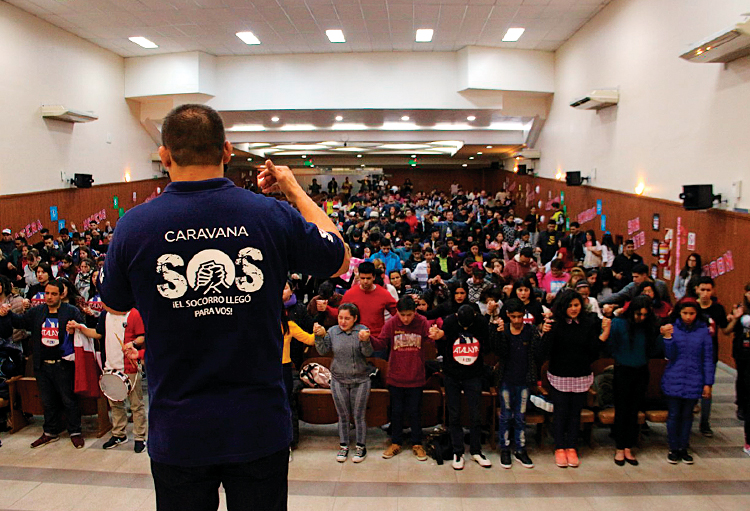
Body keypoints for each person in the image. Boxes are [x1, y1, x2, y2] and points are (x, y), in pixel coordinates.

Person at [98, 104, 349, 511]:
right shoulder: (270, 214)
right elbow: (339, 257)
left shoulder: (134, 225)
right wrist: (292, 188)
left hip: (178, 427)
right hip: (257, 424)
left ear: (165, 156)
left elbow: (113, 303)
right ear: (227, 151)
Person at [0, 279, 86, 449]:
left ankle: (75, 432)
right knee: (47, 400)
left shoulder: (71, 311)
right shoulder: (38, 311)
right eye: (47, 293)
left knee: (69, 400)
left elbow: (83, 329)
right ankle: (50, 431)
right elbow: (20, 322)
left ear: (61, 294)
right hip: (42, 365)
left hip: (63, 363)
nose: (49, 297)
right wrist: (6, 314)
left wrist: (76, 327)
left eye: (53, 294)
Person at [543, 289, 610, 468]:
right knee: (560, 413)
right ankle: (559, 447)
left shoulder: (587, 323)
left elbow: (593, 349)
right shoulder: (555, 323)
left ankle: (571, 447)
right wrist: (545, 332)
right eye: (570, 305)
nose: (574, 308)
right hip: (560, 374)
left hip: (581, 374)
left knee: (575, 413)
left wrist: (605, 334)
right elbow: (545, 351)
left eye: (576, 305)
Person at [67, 308, 148, 453]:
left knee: (136, 405)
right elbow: (98, 333)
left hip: (129, 366)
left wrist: (133, 343)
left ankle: (140, 437)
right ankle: (119, 434)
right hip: (110, 365)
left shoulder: (134, 313)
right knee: (115, 403)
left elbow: (142, 336)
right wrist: (80, 328)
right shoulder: (106, 314)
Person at [372, 296, 438, 462]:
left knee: (415, 411)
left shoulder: (422, 322)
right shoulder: (392, 323)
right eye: (403, 315)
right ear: (398, 313)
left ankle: (417, 443)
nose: (406, 319)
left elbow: (432, 340)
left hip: (416, 376)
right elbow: (380, 343)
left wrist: (437, 335)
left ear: (415, 312)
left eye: (409, 315)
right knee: (396, 412)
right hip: (396, 376)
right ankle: (395, 442)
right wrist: (368, 339)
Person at [430, 304, 492, 470]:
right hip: (452, 373)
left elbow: (486, 347)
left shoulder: (481, 323)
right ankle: (458, 451)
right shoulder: (450, 322)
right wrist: (438, 335)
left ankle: (476, 450)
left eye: (468, 326)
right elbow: (442, 344)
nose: (465, 328)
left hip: (474, 373)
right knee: (454, 414)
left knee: (475, 414)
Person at [492, 298, 550, 469]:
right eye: (514, 317)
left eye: (520, 316)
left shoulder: (531, 331)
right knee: (505, 416)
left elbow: (539, 354)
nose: (517, 320)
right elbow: (498, 351)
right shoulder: (503, 330)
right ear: (508, 315)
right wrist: (497, 333)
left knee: (520, 416)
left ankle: (520, 448)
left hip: (524, 380)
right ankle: (504, 448)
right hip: (506, 380)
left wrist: (544, 335)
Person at [603, 295, 660, 466]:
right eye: (638, 314)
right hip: (623, 370)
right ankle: (620, 447)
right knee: (622, 410)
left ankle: (629, 446)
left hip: (641, 370)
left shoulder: (649, 326)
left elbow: (654, 350)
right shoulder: (619, 323)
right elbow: (611, 346)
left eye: (644, 315)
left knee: (634, 410)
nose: (641, 318)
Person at [313, 303, 373, 463]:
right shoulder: (332, 332)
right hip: (339, 379)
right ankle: (344, 445)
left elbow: (368, 353)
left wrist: (366, 341)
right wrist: (318, 336)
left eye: (347, 318)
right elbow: (322, 350)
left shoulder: (362, 330)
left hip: (360, 379)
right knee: (343, 415)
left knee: (359, 415)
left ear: (355, 318)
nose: (343, 321)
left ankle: (361, 446)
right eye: (340, 318)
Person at [660, 298, 713, 464]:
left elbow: (708, 359)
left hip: (694, 378)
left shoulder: (704, 332)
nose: (688, 317)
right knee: (674, 415)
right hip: (674, 377)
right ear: (679, 313)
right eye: (685, 313)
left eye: (692, 313)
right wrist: (667, 338)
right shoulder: (672, 328)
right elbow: (669, 355)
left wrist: (708, 383)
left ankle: (684, 447)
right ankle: (673, 448)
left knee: (687, 415)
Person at [693, 276, 730, 438]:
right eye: (702, 289)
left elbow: (725, 329)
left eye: (708, 290)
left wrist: (735, 319)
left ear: (713, 291)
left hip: (710, 354)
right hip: (692, 353)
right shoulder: (690, 306)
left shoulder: (717, 309)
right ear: (697, 290)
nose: (705, 293)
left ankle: (705, 423)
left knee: (707, 388)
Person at [335, 261, 397, 357]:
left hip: (377, 342)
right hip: (355, 341)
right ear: (359, 277)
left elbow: (397, 313)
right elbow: (339, 314)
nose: (365, 281)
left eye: (368, 278)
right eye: (362, 278)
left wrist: (388, 332)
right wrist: (326, 309)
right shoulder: (350, 294)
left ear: (374, 277)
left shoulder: (384, 294)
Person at [729, 283, 750, 452]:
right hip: (741, 351)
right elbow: (729, 330)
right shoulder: (740, 308)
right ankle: (741, 405)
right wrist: (735, 317)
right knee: (742, 378)